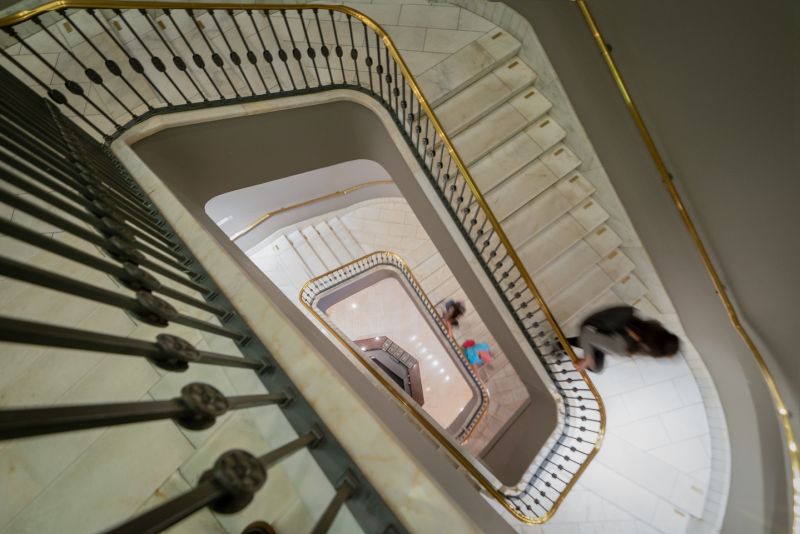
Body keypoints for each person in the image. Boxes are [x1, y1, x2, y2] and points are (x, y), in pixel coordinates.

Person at [566, 305, 679, 373]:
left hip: (603, 323)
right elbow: (587, 334)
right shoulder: (622, 347)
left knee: (598, 364)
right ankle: (561, 345)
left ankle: (566, 344)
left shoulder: (644, 327)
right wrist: (587, 359)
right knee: (595, 367)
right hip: (591, 327)